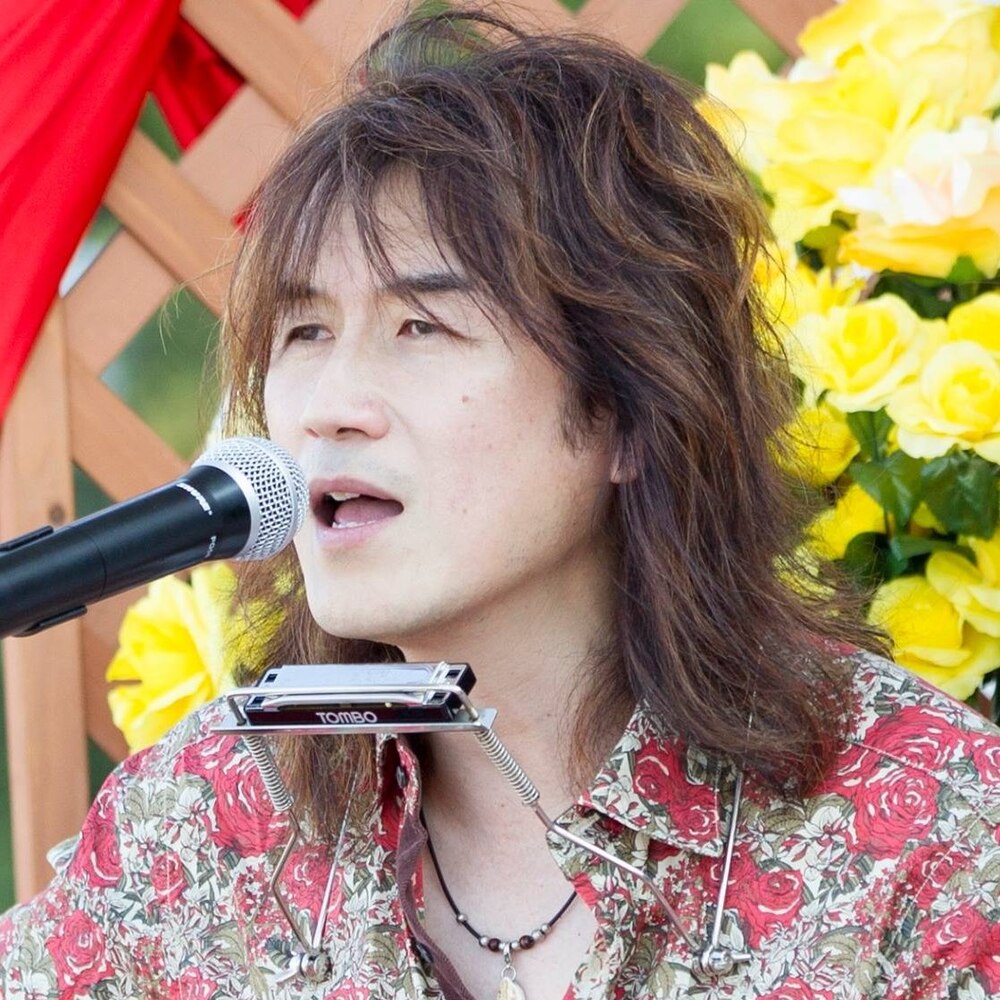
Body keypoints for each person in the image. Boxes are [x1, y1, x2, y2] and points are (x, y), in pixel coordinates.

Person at [2, 6, 1000, 998]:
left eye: (421, 327)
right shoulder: (196, 827)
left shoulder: (922, 831)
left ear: (629, 408)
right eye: (305, 333)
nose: (329, 409)